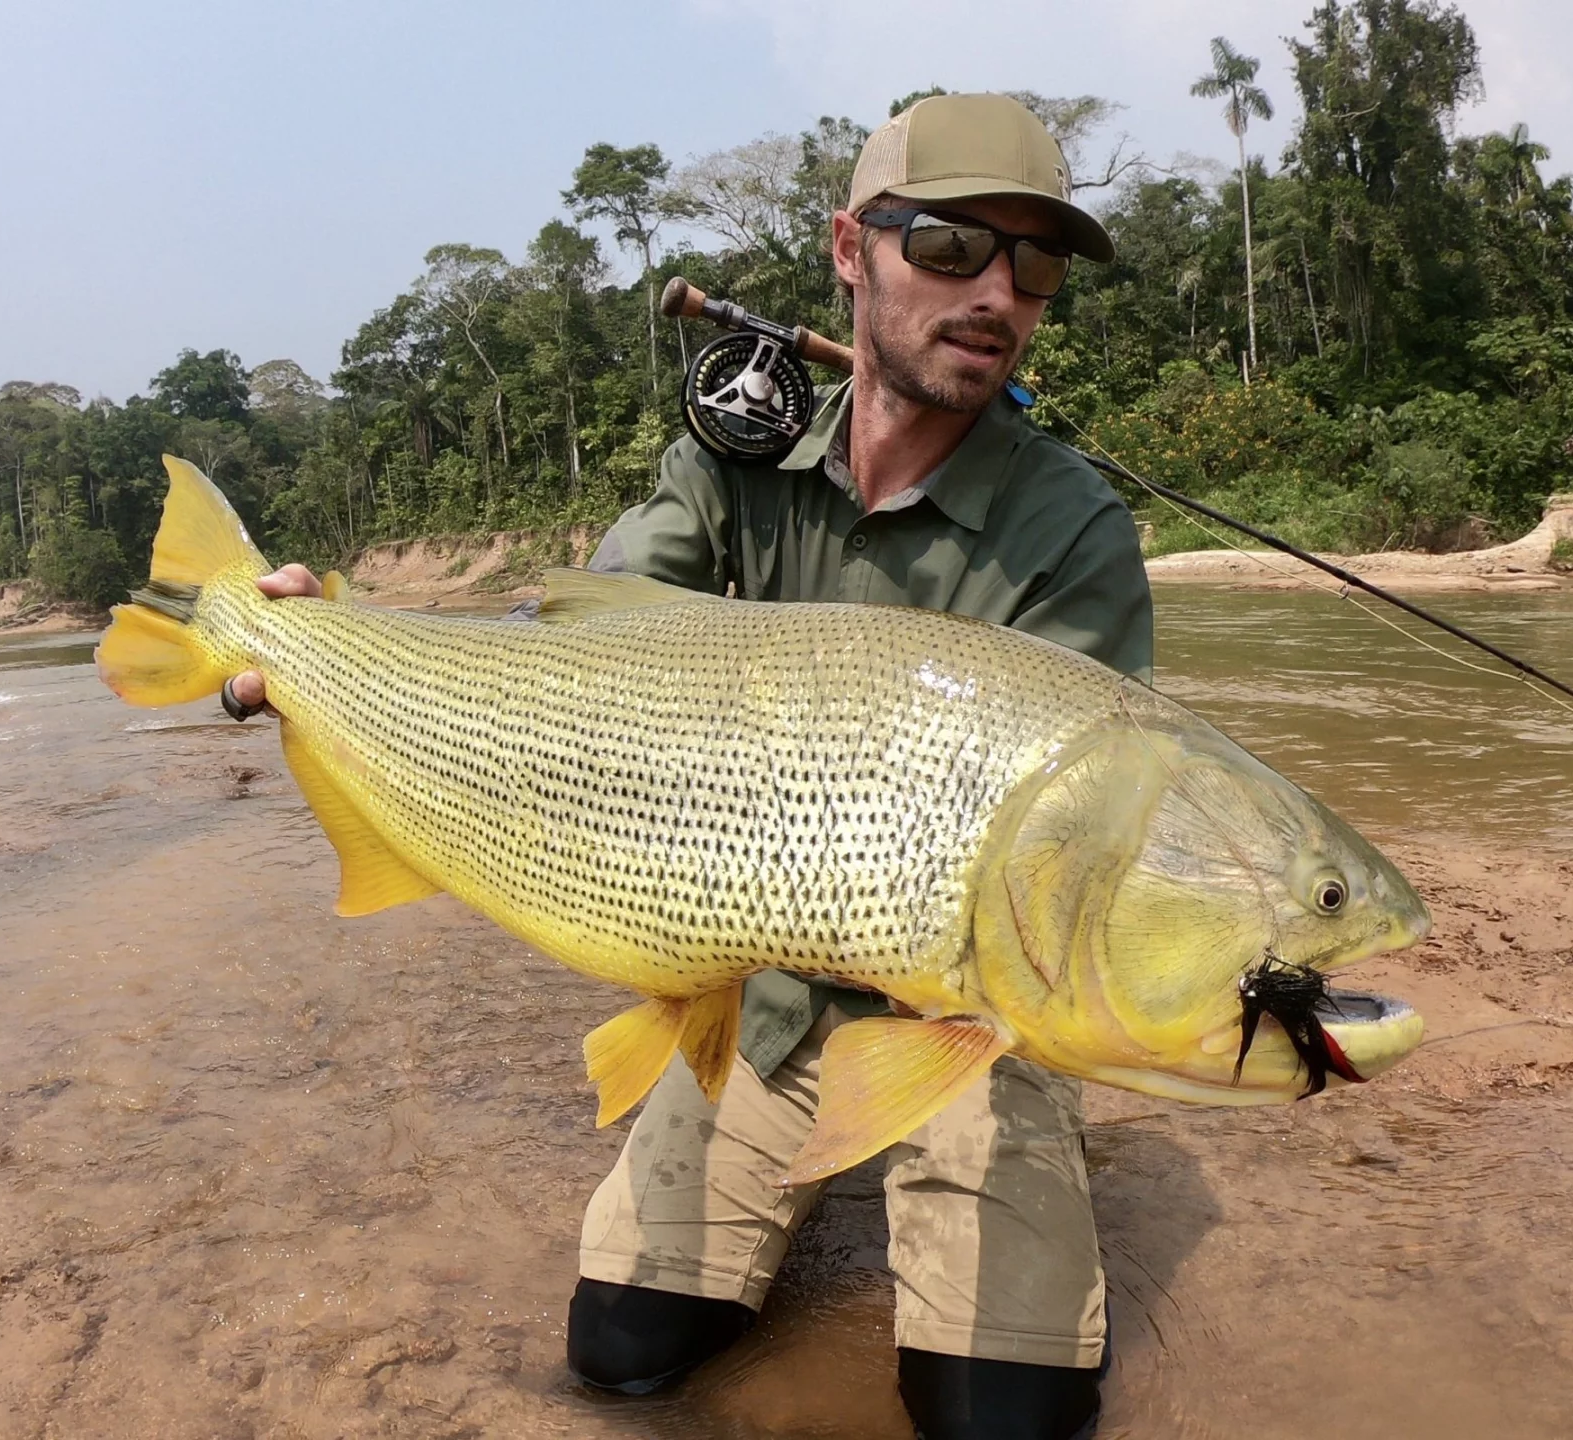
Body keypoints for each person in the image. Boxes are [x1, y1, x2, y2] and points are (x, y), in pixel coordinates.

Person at [225, 93, 1152, 1440]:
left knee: (1000, 1422)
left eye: (1038, 262)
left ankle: (989, 1194)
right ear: (852, 250)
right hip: (757, 994)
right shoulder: (732, 459)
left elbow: (1072, 853)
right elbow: (572, 657)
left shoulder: (1074, 529)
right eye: (953, 245)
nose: (998, 293)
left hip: (969, 1012)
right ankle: (801, 1173)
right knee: (620, 1355)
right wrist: (340, 647)